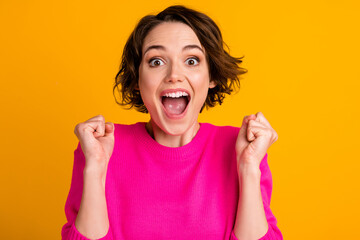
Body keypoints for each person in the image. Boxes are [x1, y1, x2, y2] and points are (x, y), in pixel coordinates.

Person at [62, 5, 283, 240]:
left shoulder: (242, 149)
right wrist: (95, 168)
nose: (174, 74)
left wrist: (248, 168)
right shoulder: (101, 146)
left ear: (212, 76)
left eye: (191, 60)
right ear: (137, 78)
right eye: (156, 61)